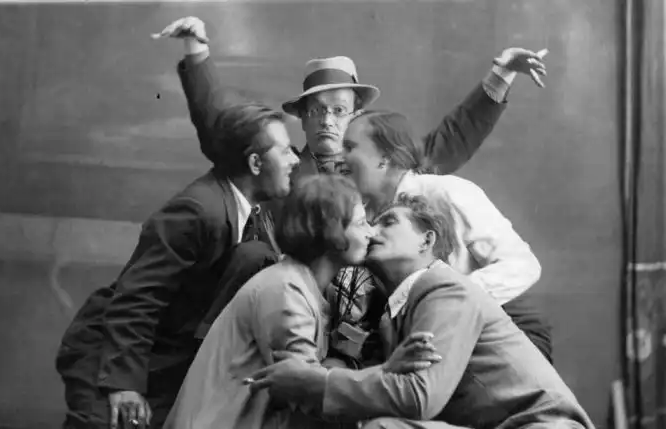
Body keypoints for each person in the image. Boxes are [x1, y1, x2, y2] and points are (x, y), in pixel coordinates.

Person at [154, 15, 549, 362]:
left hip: (377, 328)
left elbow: (451, 138)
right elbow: (224, 132)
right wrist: (197, 55)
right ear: (302, 119)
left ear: (357, 116)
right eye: (316, 110)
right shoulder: (282, 172)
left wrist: (499, 77)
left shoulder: (389, 173)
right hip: (298, 315)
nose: (327, 120)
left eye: (339, 110)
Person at [246, 194, 596, 429]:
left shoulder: (444, 289)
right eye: (370, 223)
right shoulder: (397, 309)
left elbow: (418, 395)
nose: (372, 231)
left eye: (388, 222)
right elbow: (381, 385)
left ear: (426, 241)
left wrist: (314, 384)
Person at [55, 103, 299, 429]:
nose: (295, 160)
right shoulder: (199, 211)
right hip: (108, 355)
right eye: (285, 151)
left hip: (162, 356)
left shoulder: (250, 211)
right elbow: (138, 297)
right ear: (255, 163)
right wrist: (124, 385)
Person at [163, 175, 441, 429]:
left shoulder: (301, 286)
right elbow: (305, 391)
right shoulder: (286, 290)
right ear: (330, 231)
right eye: (360, 223)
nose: (371, 233)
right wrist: (388, 371)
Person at [339, 110, 550, 361]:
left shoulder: (447, 193)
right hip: (438, 339)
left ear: (384, 157)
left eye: (350, 147)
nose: (340, 158)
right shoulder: (365, 220)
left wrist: (443, 304)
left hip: (510, 334)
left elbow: (521, 265)